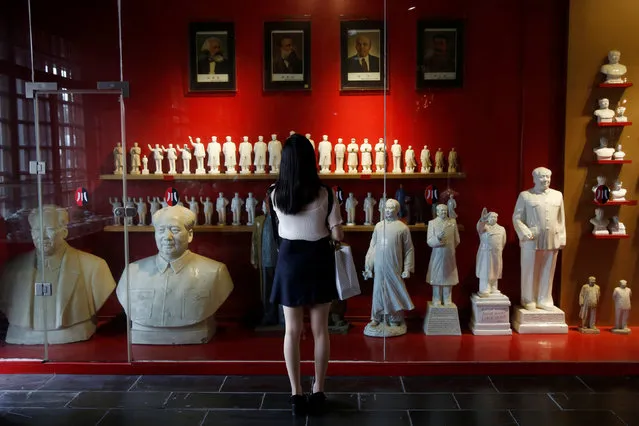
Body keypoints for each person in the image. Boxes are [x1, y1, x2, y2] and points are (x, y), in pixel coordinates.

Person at [269, 133, 343, 416]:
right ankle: (318, 390)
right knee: (320, 330)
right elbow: (337, 232)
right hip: (318, 258)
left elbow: (278, 230)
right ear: (312, 160)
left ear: (285, 162)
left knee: (291, 330)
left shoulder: (275, 193)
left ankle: (295, 393)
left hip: (289, 260)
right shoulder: (326, 193)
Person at [116, 206, 234, 344]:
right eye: (161, 230)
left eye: (175, 230)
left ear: (190, 234)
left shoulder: (215, 272)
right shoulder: (132, 272)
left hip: (197, 336)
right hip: (142, 336)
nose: (167, 237)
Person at [0, 205, 116, 344]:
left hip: (74, 332)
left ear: (64, 232)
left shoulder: (94, 267)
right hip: (20, 334)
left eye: (49, 229)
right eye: (37, 230)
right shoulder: (11, 270)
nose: (42, 236)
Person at [512, 167, 566, 311]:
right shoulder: (525, 196)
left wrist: (562, 238)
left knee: (548, 270)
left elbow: (561, 219)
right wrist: (526, 232)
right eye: (542, 177)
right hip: (532, 240)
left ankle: (545, 299)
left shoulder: (557, 195)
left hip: (551, 239)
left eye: (548, 177)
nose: (545, 180)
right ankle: (528, 298)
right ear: (534, 179)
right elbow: (517, 218)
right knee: (530, 270)